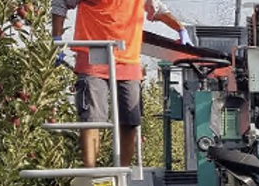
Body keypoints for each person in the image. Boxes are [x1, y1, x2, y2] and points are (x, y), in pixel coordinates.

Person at [51, 0, 192, 168]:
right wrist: (57, 39)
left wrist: (180, 29)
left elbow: (157, 8)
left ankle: (122, 173)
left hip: (128, 60)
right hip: (92, 57)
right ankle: (91, 173)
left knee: (130, 121)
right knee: (91, 119)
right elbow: (60, 2)